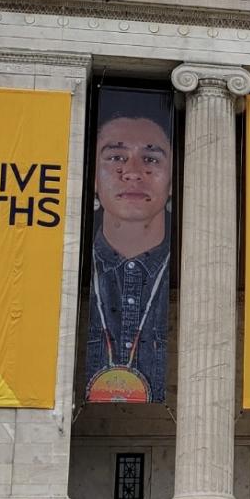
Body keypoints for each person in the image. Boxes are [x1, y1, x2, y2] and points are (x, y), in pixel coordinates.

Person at [84, 98, 174, 403]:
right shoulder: (62, 268)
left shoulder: (195, 269)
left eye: (151, 159)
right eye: (116, 157)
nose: (133, 172)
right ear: (93, 179)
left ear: (172, 181)